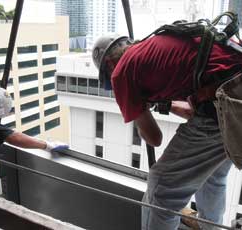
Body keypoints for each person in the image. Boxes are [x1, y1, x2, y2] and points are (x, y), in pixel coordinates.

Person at [92, 31, 242, 229]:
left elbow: (154, 138)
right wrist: (161, 104)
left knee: (161, 190)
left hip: (223, 105)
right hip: (232, 99)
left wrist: (139, 112)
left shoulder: (122, 71)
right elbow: (193, 110)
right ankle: (211, 227)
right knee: (211, 175)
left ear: (110, 64)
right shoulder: (155, 50)